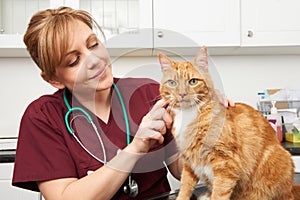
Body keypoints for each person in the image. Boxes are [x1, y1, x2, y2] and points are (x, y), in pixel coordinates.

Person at [12, 6, 233, 200]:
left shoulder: (146, 93)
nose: (94, 60)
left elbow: (182, 169)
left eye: (94, 44)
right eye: (74, 61)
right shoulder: (42, 117)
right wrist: (136, 148)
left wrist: (207, 121)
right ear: (53, 79)